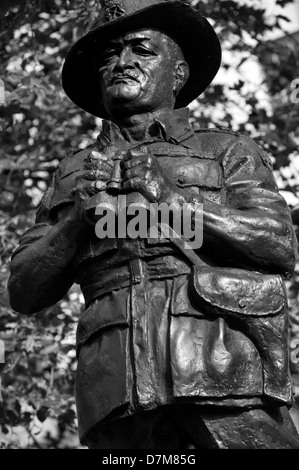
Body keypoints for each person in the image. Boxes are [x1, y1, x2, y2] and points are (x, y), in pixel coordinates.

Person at [8, 0, 299, 449]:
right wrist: (75, 223)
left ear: (178, 74)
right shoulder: (72, 173)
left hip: (219, 369)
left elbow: (277, 244)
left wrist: (174, 199)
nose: (121, 63)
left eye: (141, 50)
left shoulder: (227, 150)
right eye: (109, 56)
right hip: (114, 384)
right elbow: (24, 291)